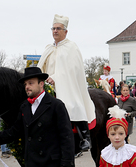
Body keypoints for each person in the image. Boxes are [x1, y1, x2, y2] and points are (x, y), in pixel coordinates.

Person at [38, 14, 95, 151]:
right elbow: (41, 67)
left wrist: (56, 77)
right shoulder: (48, 48)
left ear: (65, 31)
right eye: (53, 28)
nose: (55, 31)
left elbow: (73, 69)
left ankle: (85, 138)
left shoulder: (71, 47)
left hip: (67, 86)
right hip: (47, 86)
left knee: (73, 105)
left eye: (58, 28)